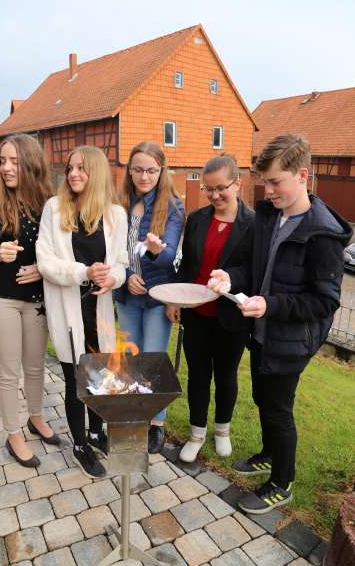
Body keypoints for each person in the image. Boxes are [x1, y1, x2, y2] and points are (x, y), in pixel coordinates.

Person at [210, 134, 352, 514]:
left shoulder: (323, 234)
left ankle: (281, 483)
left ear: (302, 175)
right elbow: (249, 266)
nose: (268, 190)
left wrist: (269, 305)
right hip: (260, 332)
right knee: (262, 399)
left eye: (275, 182)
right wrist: (229, 278)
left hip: (290, 340)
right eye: (264, 181)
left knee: (278, 409)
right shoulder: (269, 216)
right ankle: (269, 454)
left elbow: (325, 301)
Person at [36, 145, 128, 479]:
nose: (74, 174)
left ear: (98, 173)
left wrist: (112, 278)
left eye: (83, 169)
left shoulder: (115, 214)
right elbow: (45, 261)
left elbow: (121, 262)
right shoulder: (54, 208)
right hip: (68, 310)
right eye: (71, 167)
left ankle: (95, 432)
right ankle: (79, 444)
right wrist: (83, 273)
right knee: (77, 381)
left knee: (100, 376)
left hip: (98, 310)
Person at [0, 134, 58, 467]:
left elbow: (60, 251)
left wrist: (43, 270)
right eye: (2, 160)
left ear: (31, 163)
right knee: (9, 372)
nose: (5, 167)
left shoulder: (49, 203)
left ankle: (35, 417)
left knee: (35, 368)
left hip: (35, 300)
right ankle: (13, 433)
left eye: (14, 162)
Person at [167, 154, 254, 463]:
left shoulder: (253, 224)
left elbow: (253, 271)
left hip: (230, 317)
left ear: (238, 184)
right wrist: (176, 298)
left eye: (222, 188)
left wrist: (231, 280)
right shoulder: (198, 219)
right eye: (209, 188)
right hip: (197, 314)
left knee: (227, 376)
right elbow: (186, 266)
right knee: (199, 376)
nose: (215, 195)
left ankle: (222, 431)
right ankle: (196, 433)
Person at [114, 141, 185, 454]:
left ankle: (156, 422)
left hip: (157, 297)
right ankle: (135, 414)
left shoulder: (172, 206)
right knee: (131, 356)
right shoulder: (119, 202)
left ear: (161, 171)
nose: (144, 176)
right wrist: (127, 277)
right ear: (129, 170)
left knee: (154, 359)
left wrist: (158, 250)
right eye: (138, 169)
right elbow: (112, 248)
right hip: (127, 295)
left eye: (151, 170)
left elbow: (169, 255)